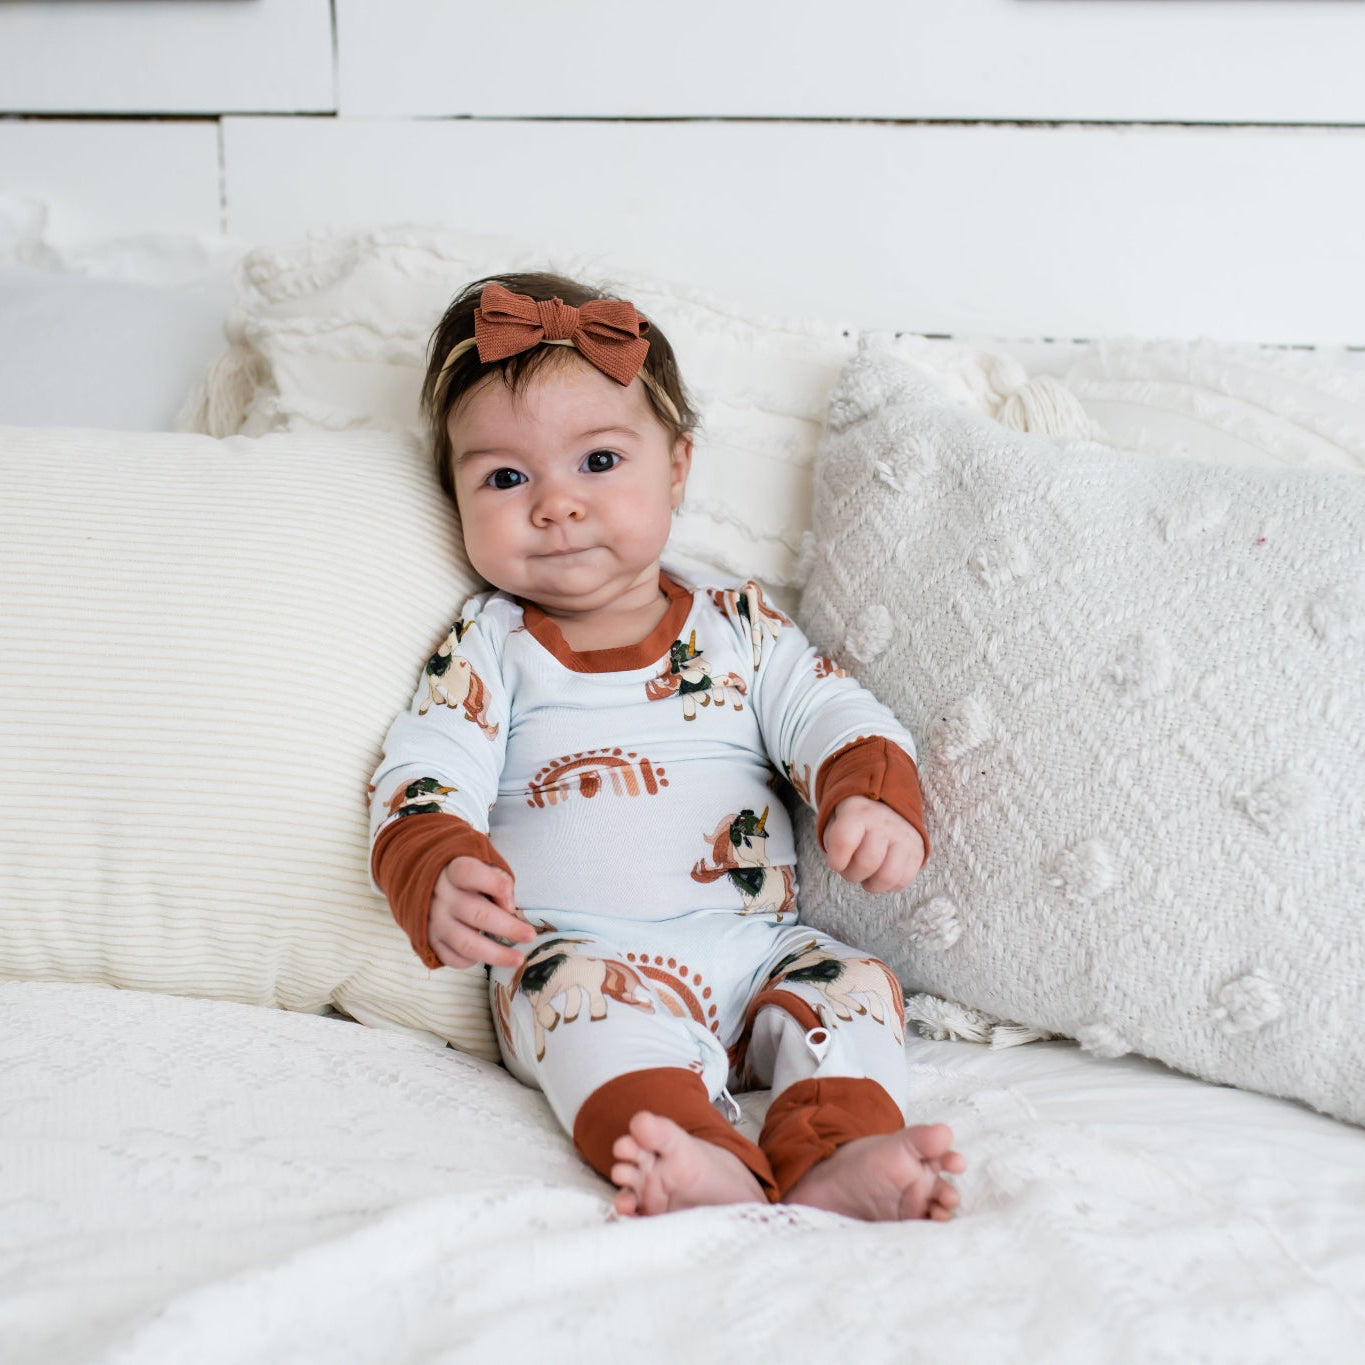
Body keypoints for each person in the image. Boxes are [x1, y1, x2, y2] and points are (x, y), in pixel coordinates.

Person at [368, 273, 965, 1221]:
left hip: (751, 945)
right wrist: (433, 862)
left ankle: (835, 1149)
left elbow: (829, 710)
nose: (556, 505)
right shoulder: (489, 645)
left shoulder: (740, 625)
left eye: (598, 461)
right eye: (506, 478)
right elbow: (426, 764)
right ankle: (689, 1150)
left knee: (852, 985)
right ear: (453, 493)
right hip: (581, 952)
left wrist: (863, 792)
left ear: (677, 468)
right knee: (576, 1011)